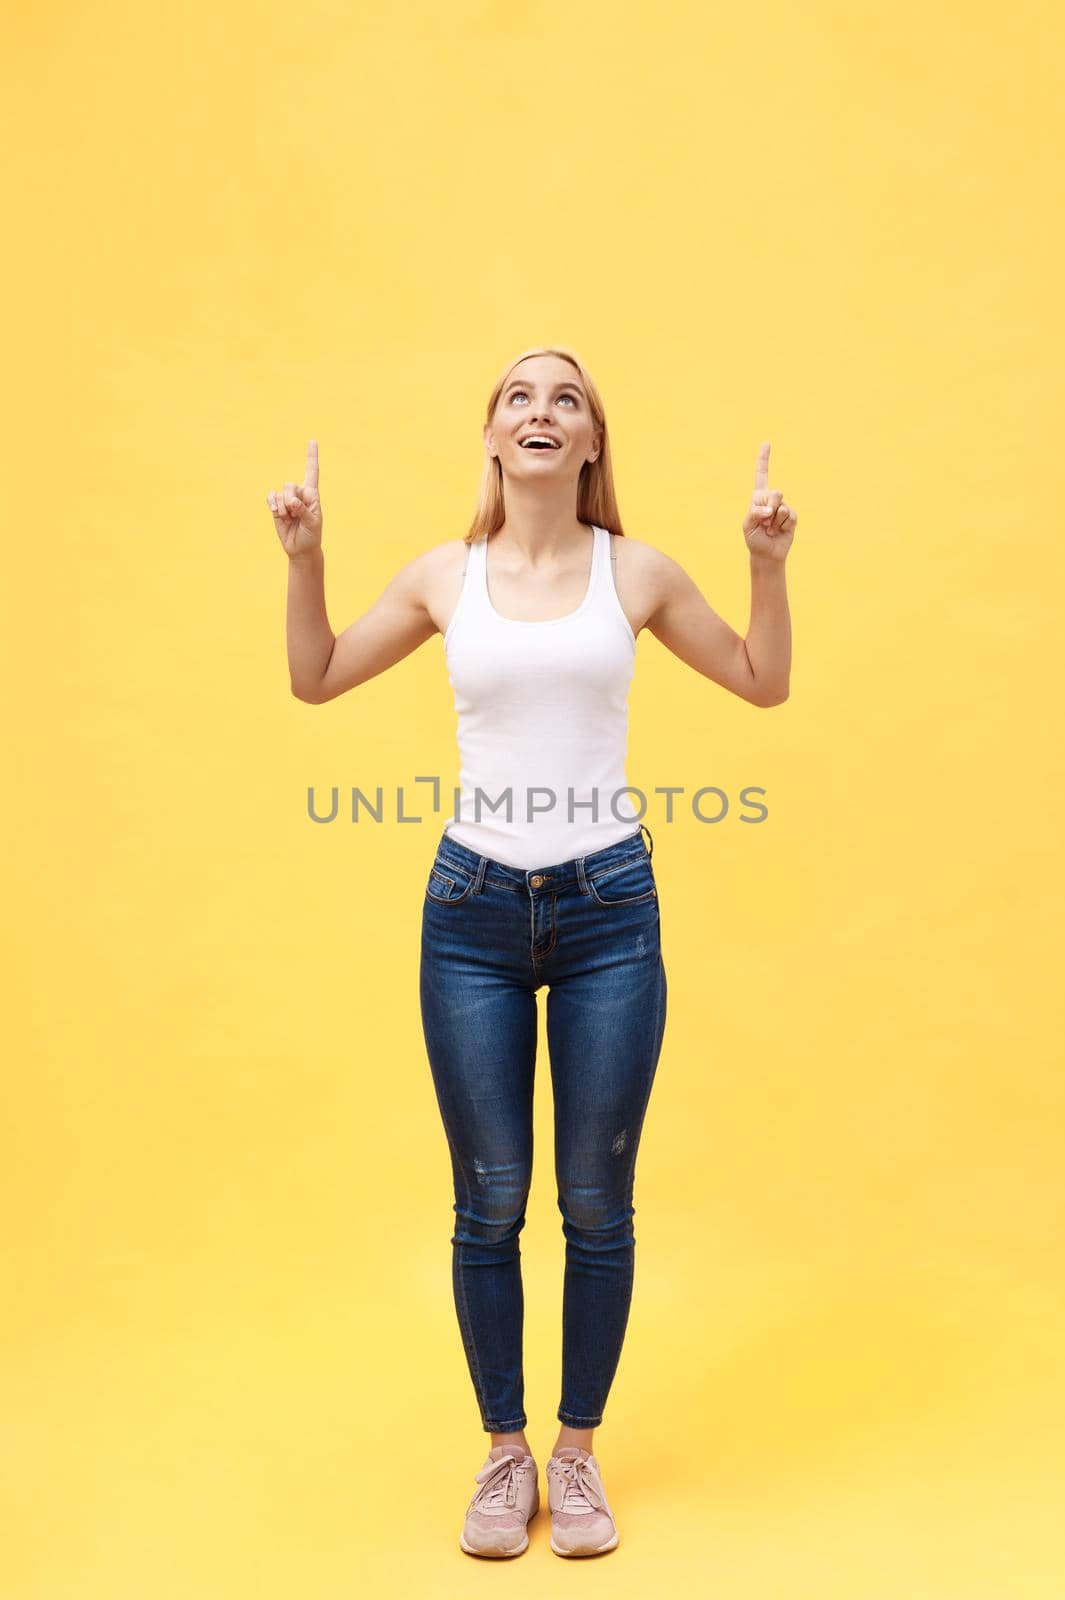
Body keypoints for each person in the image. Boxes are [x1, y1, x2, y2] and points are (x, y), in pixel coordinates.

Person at [268, 345, 796, 1559]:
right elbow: (315, 676)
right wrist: (305, 561)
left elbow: (763, 680)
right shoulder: (446, 577)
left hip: (611, 907)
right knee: (489, 1200)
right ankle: (503, 1456)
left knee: (594, 1198)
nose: (540, 410)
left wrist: (765, 567)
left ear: (591, 442)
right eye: (518, 396)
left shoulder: (640, 573)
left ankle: (577, 1452)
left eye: (566, 397)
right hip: (472, 916)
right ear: (494, 440)